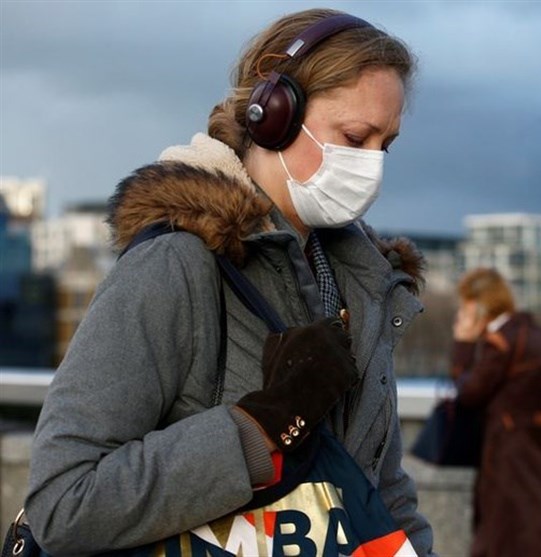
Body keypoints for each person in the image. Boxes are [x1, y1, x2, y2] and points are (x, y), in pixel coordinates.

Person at [25, 8, 435, 556]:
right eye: (354, 137)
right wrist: (258, 430)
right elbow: (63, 501)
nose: (371, 168)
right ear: (276, 115)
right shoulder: (175, 264)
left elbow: (383, 494)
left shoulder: (363, 286)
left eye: (385, 145)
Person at [451, 268, 541, 557]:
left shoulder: (501, 343)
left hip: (505, 458)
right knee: (535, 534)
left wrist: (463, 345)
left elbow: (468, 394)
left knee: (499, 537)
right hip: (537, 456)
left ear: (476, 304)